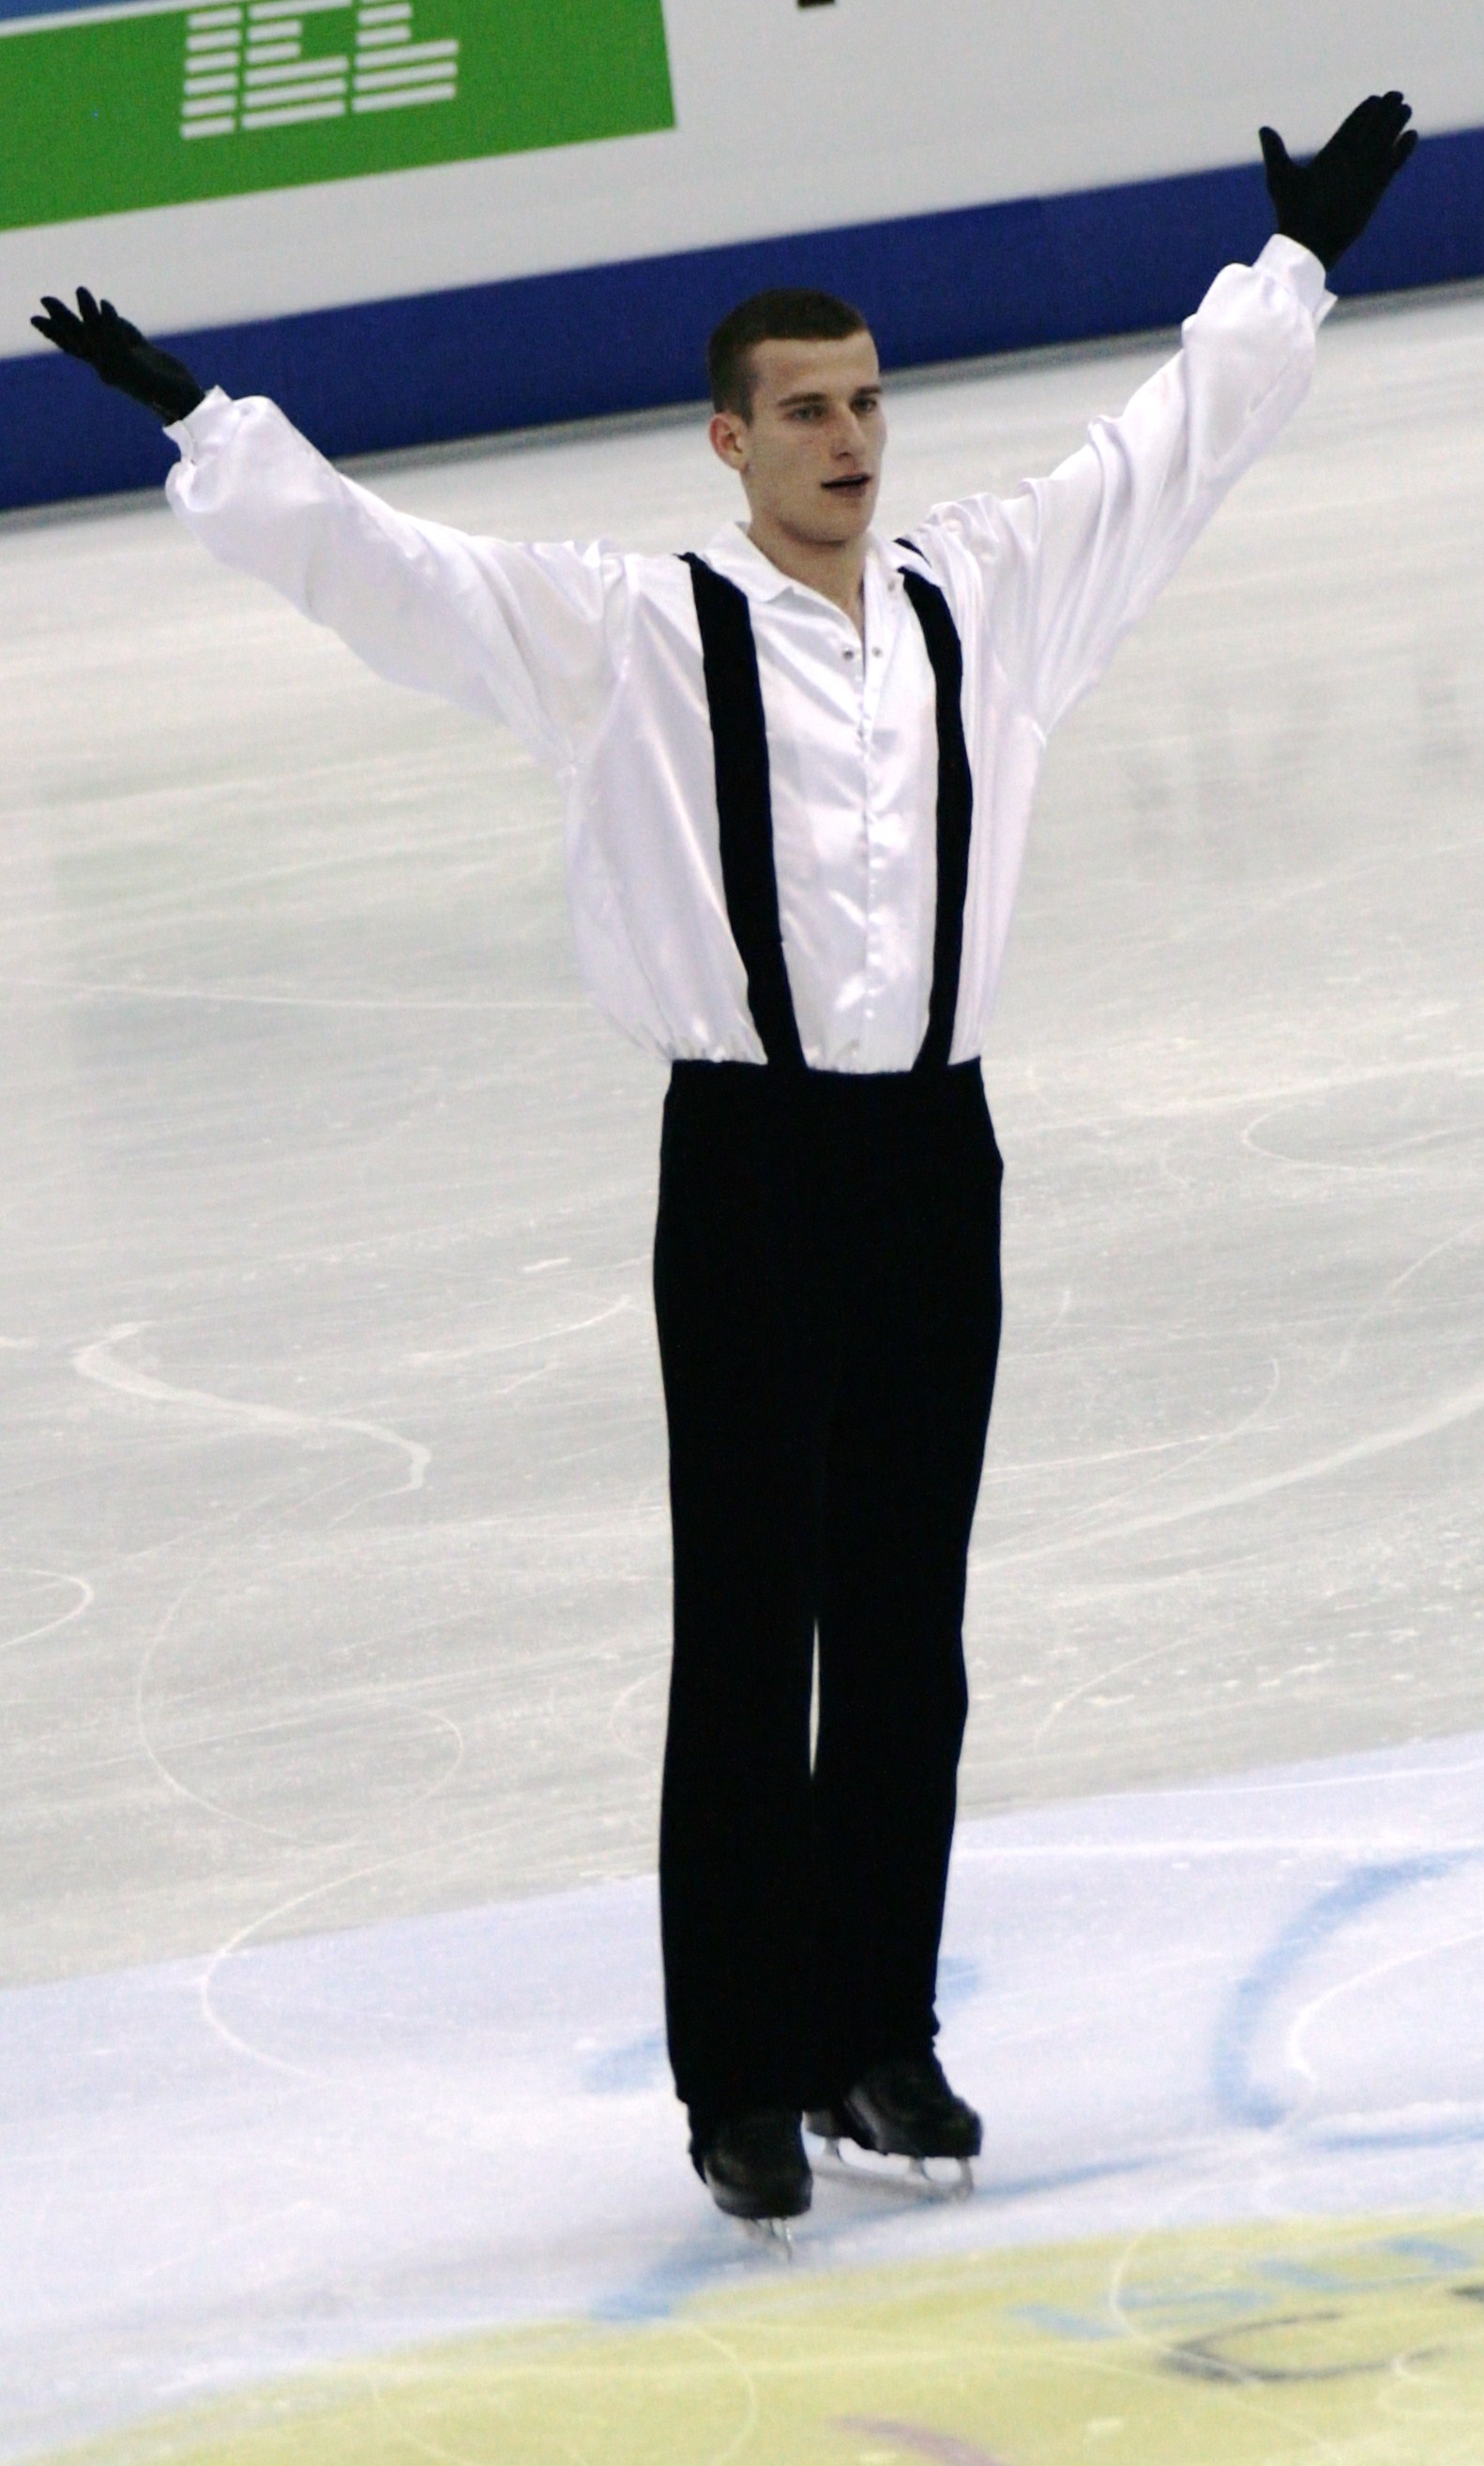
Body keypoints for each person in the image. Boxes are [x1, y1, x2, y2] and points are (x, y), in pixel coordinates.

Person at [34, 94, 1416, 2231]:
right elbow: (395, 579)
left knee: (905, 1628)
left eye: (864, 402)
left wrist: (1288, 267)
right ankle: (738, 2083)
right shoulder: (633, 632)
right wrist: (210, 420)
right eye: (804, 411)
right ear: (726, 439)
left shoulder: (988, 600)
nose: (851, 439)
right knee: (750, 1615)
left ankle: (878, 2040)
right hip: (749, 1164)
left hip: (934, 1157)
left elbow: (1166, 452)